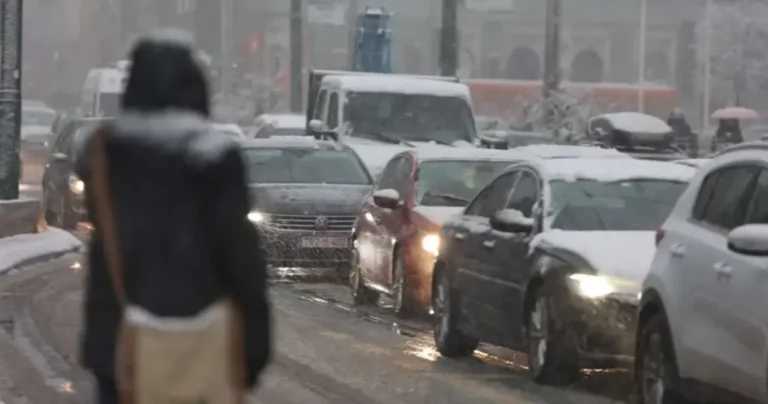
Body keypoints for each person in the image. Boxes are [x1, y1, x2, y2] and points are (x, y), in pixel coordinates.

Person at [75, 30, 271, 403]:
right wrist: (253, 348)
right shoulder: (216, 160)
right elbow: (241, 260)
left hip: (121, 348)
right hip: (204, 345)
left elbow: (106, 250)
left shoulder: (105, 155)